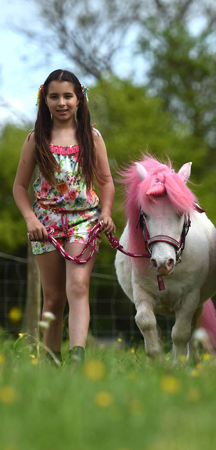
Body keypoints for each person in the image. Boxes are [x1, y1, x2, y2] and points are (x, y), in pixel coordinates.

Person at [13, 69, 116, 363]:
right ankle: (51, 360)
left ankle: (77, 359)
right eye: (54, 96)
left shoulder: (92, 137)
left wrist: (106, 212)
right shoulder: (36, 139)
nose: (61, 103)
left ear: (79, 98)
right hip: (46, 224)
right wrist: (31, 219)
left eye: (68, 96)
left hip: (84, 221)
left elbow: (106, 182)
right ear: (44, 100)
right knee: (55, 298)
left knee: (78, 287)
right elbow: (19, 187)